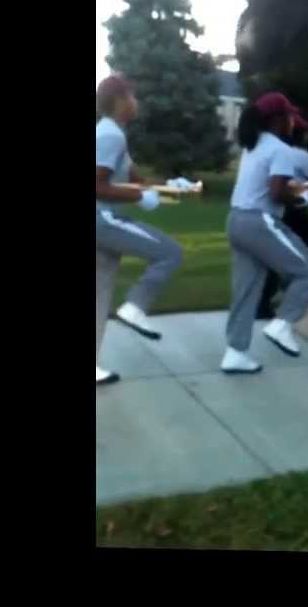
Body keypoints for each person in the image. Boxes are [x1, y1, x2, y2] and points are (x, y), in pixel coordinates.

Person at [222, 93, 308, 373]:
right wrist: (301, 199)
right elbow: (276, 191)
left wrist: (297, 191)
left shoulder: (253, 145)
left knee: (246, 289)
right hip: (259, 222)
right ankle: (282, 325)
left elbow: (270, 185)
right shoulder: (280, 149)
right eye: (291, 117)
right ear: (278, 119)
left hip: (236, 220)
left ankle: (235, 352)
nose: (294, 123)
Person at [94, 76, 184, 385]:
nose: (137, 102)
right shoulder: (110, 136)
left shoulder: (114, 134)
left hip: (104, 220)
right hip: (102, 219)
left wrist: (172, 188)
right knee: (169, 252)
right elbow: (97, 185)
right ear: (119, 100)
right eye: (133, 95)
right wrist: (138, 197)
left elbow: (134, 178)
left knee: (100, 293)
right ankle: (134, 307)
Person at [256, 116, 308, 321]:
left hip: (276, 209)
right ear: (299, 134)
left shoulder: (273, 150)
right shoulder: (300, 155)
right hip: (295, 209)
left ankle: (263, 302)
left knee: (276, 254)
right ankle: (292, 282)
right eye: (305, 131)